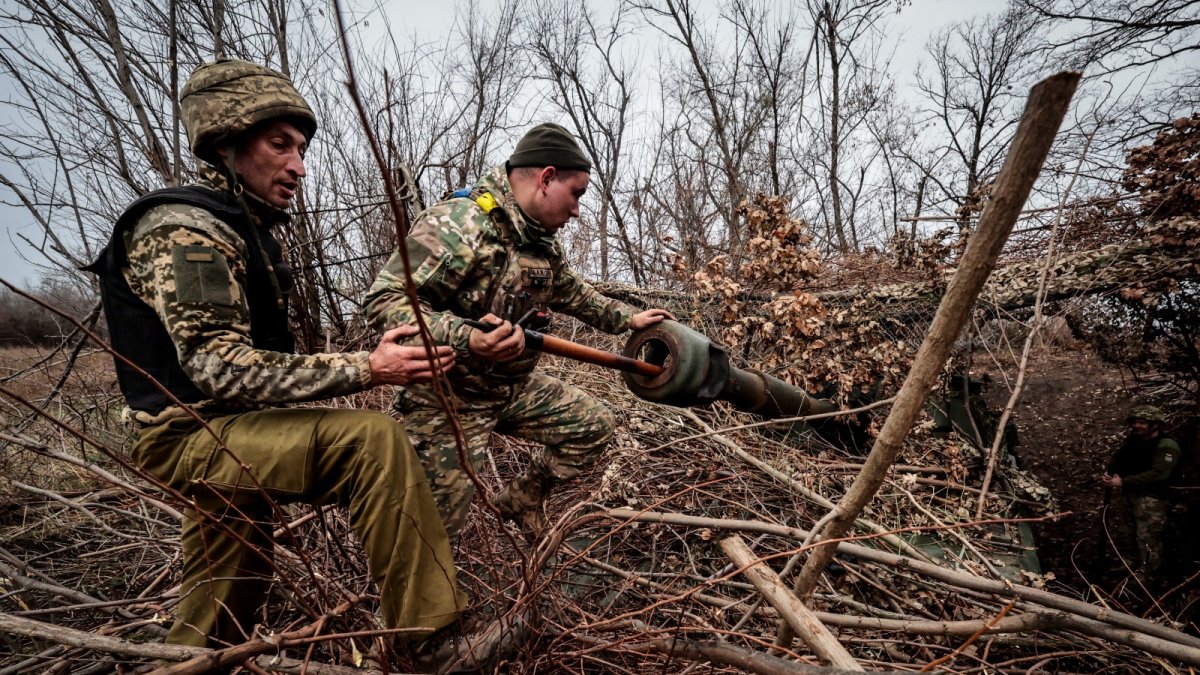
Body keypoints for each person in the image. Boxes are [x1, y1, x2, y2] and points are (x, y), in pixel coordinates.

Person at [84, 59, 466, 648]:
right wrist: (367, 366)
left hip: (227, 429)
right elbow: (217, 365)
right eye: (280, 145)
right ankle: (429, 643)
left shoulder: (238, 225)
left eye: (303, 149)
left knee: (223, 596)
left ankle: (188, 660)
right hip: (189, 433)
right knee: (371, 441)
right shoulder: (185, 229)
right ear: (228, 142)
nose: (298, 166)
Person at [363, 123, 674, 539]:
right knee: (431, 541)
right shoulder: (460, 224)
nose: (578, 210)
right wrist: (468, 336)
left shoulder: (539, 241)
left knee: (594, 426)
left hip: (511, 389)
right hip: (450, 400)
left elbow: (570, 291)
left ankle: (524, 497)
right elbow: (385, 301)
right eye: (576, 194)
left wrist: (625, 319)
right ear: (546, 178)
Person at [1102, 404, 1182, 578]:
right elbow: (1120, 459)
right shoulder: (1134, 440)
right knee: (1126, 532)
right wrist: (1109, 473)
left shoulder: (1167, 445)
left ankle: (1147, 573)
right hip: (1129, 494)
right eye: (1134, 422)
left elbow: (1159, 473)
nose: (1136, 426)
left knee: (1147, 537)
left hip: (1152, 499)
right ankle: (1129, 564)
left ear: (1154, 424)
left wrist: (1123, 481)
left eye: (1141, 422)